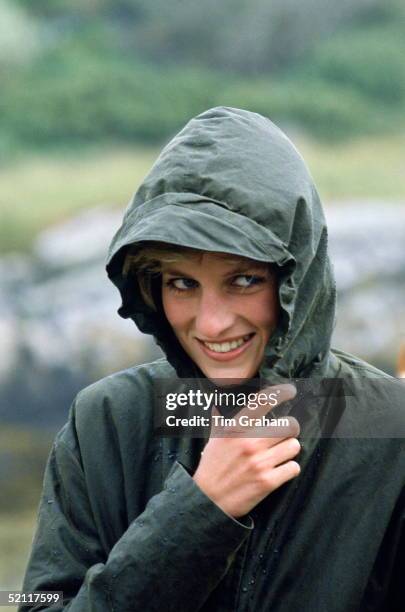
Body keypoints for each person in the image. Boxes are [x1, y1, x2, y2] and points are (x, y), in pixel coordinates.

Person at [20, 107, 405, 611]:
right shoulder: (106, 420)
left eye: (243, 279)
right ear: (152, 286)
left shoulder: (392, 428)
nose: (211, 324)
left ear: (296, 277)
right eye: (183, 283)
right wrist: (198, 515)